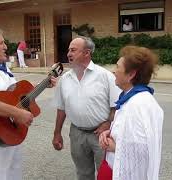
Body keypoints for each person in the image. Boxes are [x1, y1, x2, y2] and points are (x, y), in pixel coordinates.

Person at [0, 27, 56, 180]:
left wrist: (43, 85)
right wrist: (17, 113)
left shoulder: (0, 67)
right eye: (1, 43)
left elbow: (13, 96)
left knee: (13, 174)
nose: (6, 47)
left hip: (10, 130)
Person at [52, 36, 121, 180]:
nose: (69, 54)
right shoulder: (64, 80)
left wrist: (108, 123)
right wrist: (57, 133)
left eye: (73, 50)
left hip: (101, 135)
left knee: (106, 174)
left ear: (87, 53)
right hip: (77, 134)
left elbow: (117, 105)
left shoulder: (105, 76)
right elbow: (61, 108)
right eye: (68, 50)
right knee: (83, 174)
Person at [98, 45, 164, 180]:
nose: (114, 71)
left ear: (131, 74)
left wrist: (116, 147)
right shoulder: (131, 98)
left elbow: (144, 149)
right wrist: (111, 132)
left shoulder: (139, 104)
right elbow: (130, 133)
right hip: (113, 167)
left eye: (118, 67)